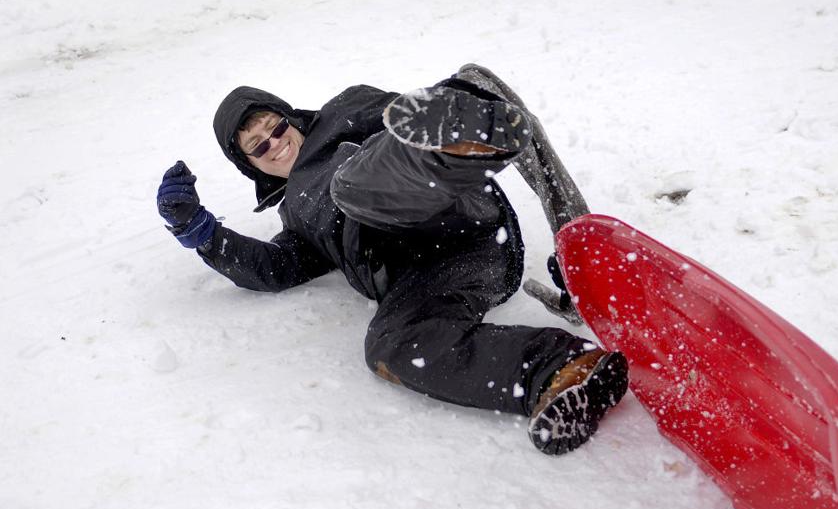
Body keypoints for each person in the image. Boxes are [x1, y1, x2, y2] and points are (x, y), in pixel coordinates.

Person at [155, 70, 628, 455]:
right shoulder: (297, 215)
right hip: (444, 272)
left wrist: (573, 242)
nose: (275, 142)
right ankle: (562, 368)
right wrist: (203, 234)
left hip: (457, 217)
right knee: (390, 347)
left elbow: (392, 111)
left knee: (352, 185)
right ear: (250, 166)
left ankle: (458, 138)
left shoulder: (342, 110)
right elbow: (274, 268)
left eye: (275, 126)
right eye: (258, 146)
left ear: (289, 117)